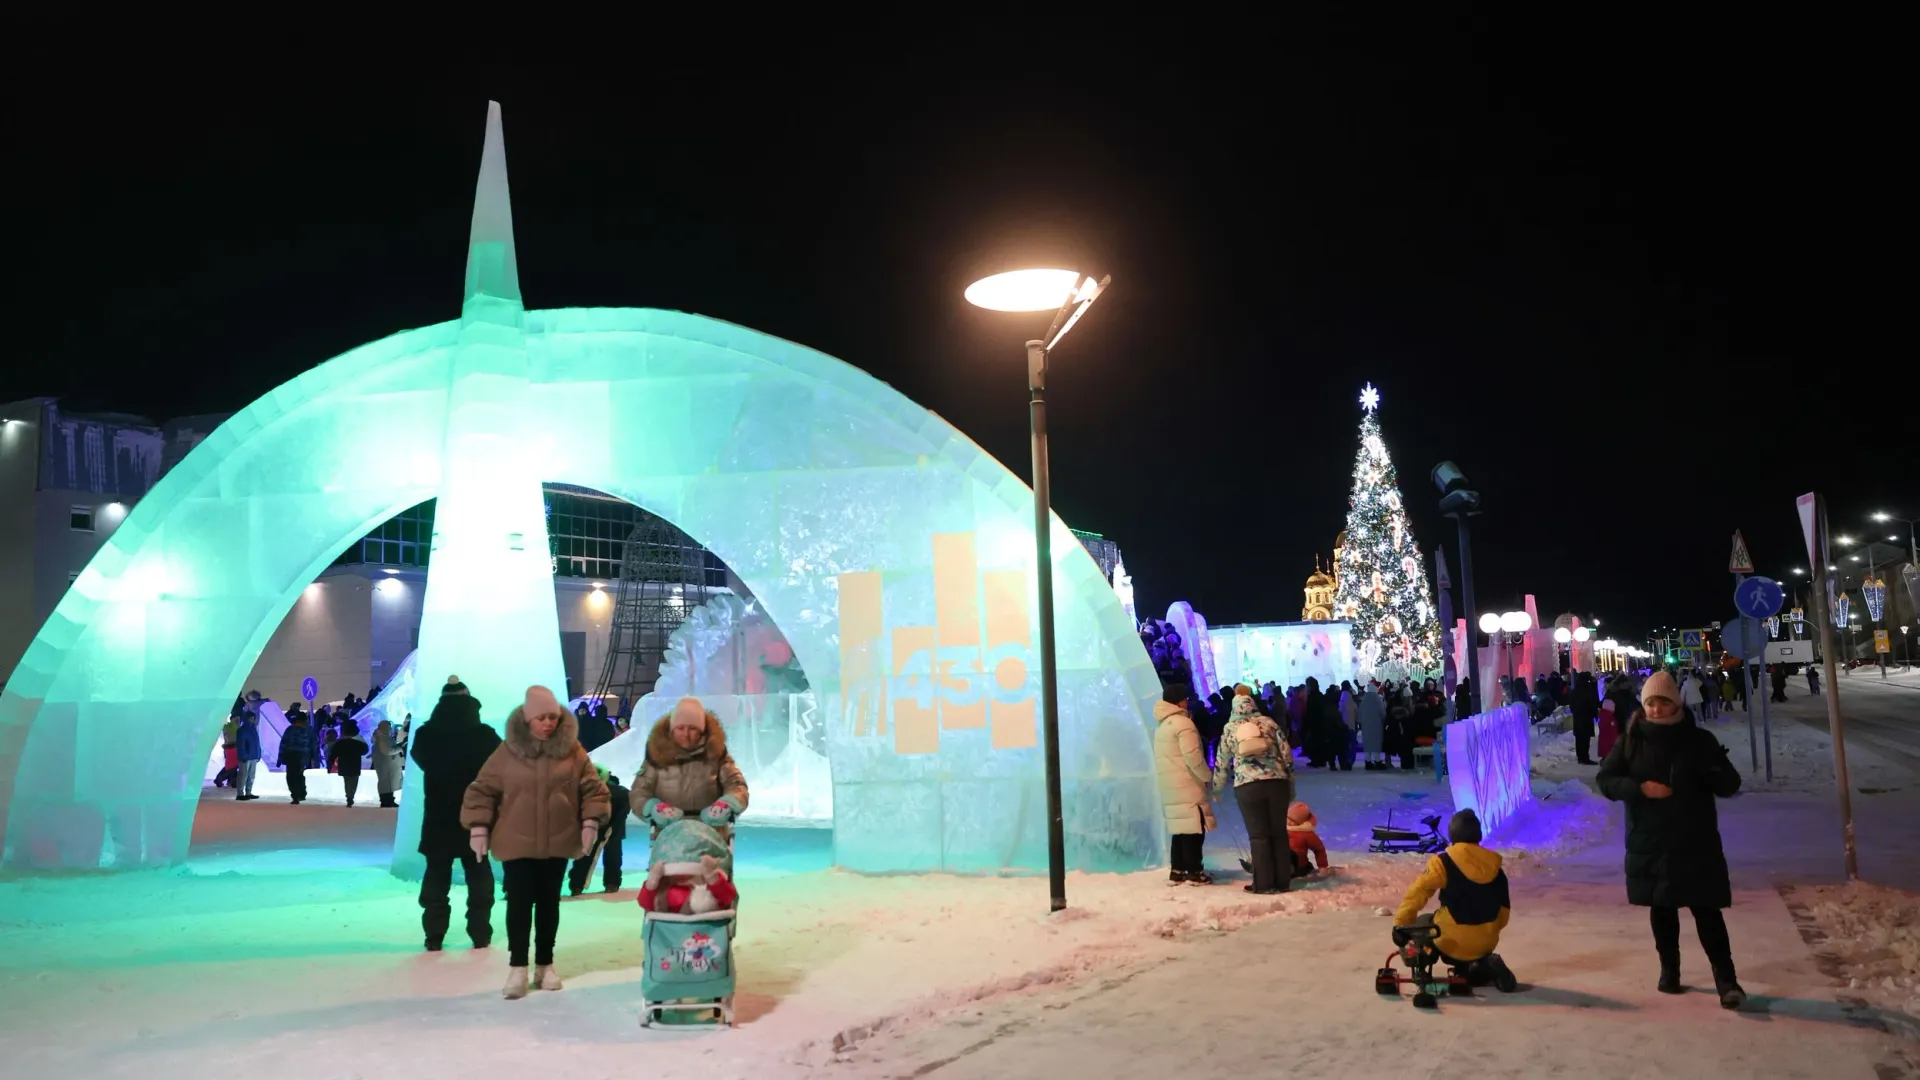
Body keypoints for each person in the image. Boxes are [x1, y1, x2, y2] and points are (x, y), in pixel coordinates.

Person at [1595, 669, 1746, 1008]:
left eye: (1663, 702)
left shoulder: (1699, 740)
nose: (1656, 709)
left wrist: (1713, 768)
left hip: (1695, 839)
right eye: (1650, 702)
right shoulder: (1631, 740)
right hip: (1650, 840)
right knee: (1662, 909)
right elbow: (1605, 780)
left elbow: (1730, 785)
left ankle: (1726, 980)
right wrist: (1640, 788)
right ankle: (1670, 970)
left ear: (1676, 703)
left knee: (1706, 910)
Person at [463, 686, 611, 1000]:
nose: (548, 724)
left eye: (553, 718)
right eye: (541, 718)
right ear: (528, 719)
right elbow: (482, 790)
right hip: (516, 842)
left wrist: (590, 822)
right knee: (519, 904)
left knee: (548, 904)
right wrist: (478, 827)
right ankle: (517, 966)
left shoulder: (573, 751)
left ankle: (545, 963)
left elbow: (594, 789)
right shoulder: (506, 752)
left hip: (558, 841)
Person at [410, 676, 500, 952]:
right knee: (479, 873)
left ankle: (434, 935)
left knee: (436, 874)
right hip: (476, 815)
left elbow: (419, 758)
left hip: (438, 814)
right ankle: (480, 933)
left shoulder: (426, 734)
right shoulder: (484, 735)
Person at [1392, 809, 1518, 991]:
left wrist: (1401, 924)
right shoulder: (1496, 869)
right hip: (1486, 942)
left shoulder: (1443, 862)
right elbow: (1504, 912)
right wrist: (1486, 930)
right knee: (1468, 940)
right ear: (1478, 834)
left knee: (1423, 923)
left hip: (1449, 942)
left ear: (1453, 833)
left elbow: (1418, 892)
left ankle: (1421, 970)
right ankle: (1479, 964)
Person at [1212, 691, 1292, 894]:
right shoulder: (1268, 722)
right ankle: (1283, 881)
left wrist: (1217, 788)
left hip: (1247, 785)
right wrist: (1289, 779)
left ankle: (1263, 884)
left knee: (1258, 836)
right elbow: (1286, 753)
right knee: (1279, 833)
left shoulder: (1230, 728)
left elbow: (1222, 762)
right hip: (1276, 782)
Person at [630, 697, 751, 825]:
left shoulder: (717, 755)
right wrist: (653, 808)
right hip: (667, 835)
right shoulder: (656, 756)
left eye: (692, 728)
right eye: (680, 728)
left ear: (702, 730)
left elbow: (736, 786)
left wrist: (728, 803)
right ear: (672, 730)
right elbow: (639, 793)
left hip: (712, 833)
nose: (686, 734)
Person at [1152, 681, 1215, 886]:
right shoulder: (1183, 724)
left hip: (1171, 784)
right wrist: (1206, 776)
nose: (1188, 702)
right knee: (1195, 828)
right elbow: (1192, 756)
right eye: (1185, 698)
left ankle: (1177, 870)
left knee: (1180, 828)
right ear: (1179, 702)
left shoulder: (1162, 726)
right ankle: (1194, 871)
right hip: (1187, 783)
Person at [569, 767, 630, 896]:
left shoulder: (591, 789)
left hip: (599, 819)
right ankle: (611, 884)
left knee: (587, 849)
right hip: (612, 819)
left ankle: (577, 885)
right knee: (612, 849)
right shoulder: (622, 792)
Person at [330, 720, 370, 807]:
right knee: (353, 781)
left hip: (344, 763)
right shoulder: (358, 742)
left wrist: (330, 766)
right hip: (355, 763)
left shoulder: (340, 742)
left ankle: (349, 796)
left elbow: (333, 752)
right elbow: (365, 751)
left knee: (347, 780)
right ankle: (350, 796)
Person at [280, 708, 314, 804]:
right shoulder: (308, 730)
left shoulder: (290, 729)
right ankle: (301, 793)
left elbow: (283, 743)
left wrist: (280, 757)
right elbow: (314, 744)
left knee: (291, 776)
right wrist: (314, 757)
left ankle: (295, 795)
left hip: (290, 755)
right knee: (299, 774)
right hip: (303, 755)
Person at [1286, 801, 1327, 879]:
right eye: (1288, 819)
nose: (1289, 822)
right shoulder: (1281, 829)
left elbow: (1319, 850)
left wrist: (1322, 867)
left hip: (1299, 867)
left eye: (1293, 821)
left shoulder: (1306, 833)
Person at [372, 719, 406, 808]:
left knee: (388, 784)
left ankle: (389, 800)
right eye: (389, 727)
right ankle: (387, 801)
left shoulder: (382, 737)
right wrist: (401, 747)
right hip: (386, 765)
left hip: (387, 764)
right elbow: (387, 751)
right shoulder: (383, 738)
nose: (390, 729)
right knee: (387, 784)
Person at [1570, 672, 1600, 765]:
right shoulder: (1588, 690)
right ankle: (1584, 758)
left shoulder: (1576, 690)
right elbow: (1594, 700)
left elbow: (1572, 704)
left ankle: (1581, 757)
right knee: (1585, 739)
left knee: (1579, 738)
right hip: (1586, 717)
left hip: (1578, 717)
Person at [235, 706, 263, 801]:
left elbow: (257, 743)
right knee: (243, 775)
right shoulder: (242, 730)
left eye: (253, 718)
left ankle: (248, 792)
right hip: (246, 757)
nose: (253, 719)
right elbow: (241, 744)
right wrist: (243, 755)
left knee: (251, 775)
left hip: (253, 756)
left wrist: (258, 753)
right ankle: (240, 793)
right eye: (251, 718)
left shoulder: (253, 729)